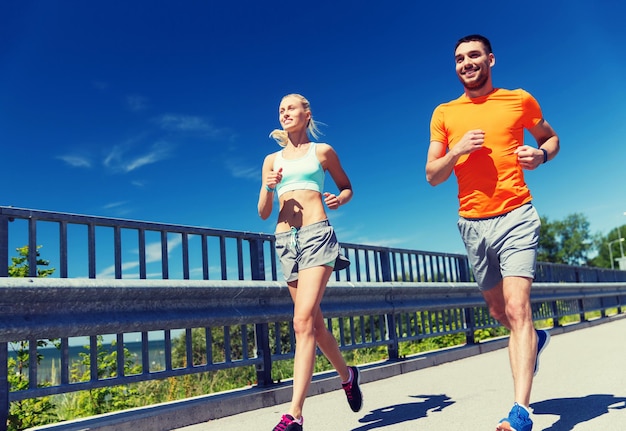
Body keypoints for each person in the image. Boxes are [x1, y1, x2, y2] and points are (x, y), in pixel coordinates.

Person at [425, 34, 560, 431]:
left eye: (473, 56)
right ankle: (535, 339)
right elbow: (433, 175)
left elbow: (551, 138)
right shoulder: (444, 113)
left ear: (490, 59)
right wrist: (456, 151)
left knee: (517, 308)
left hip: (517, 213)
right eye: (459, 59)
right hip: (472, 223)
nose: (466, 63)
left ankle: (520, 412)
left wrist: (541, 155)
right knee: (499, 311)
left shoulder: (518, 99)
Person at [258, 93, 362, 431]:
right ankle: (347, 376)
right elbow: (262, 213)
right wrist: (268, 187)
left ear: (307, 114)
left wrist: (339, 199)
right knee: (314, 327)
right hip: (286, 241)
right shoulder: (271, 160)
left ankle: (295, 415)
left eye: (291, 108)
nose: (285, 113)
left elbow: (347, 187)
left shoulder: (323, 151)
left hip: (317, 235)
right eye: (281, 110)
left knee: (301, 323)